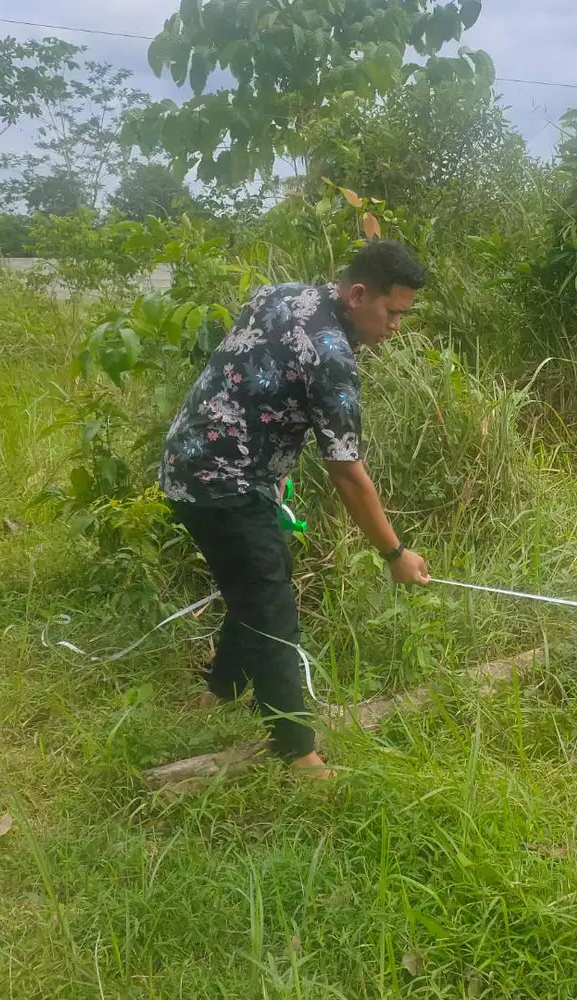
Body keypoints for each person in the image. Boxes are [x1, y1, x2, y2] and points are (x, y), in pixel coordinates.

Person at [160, 240, 431, 778]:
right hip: (223, 485)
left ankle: (221, 688)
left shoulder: (286, 294)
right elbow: (348, 475)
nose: (396, 327)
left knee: (260, 576)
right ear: (358, 294)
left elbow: (255, 372)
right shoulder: (333, 358)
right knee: (272, 609)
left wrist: (267, 462)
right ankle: (298, 753)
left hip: (187, 460)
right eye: (393, 312)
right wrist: (394, 553)